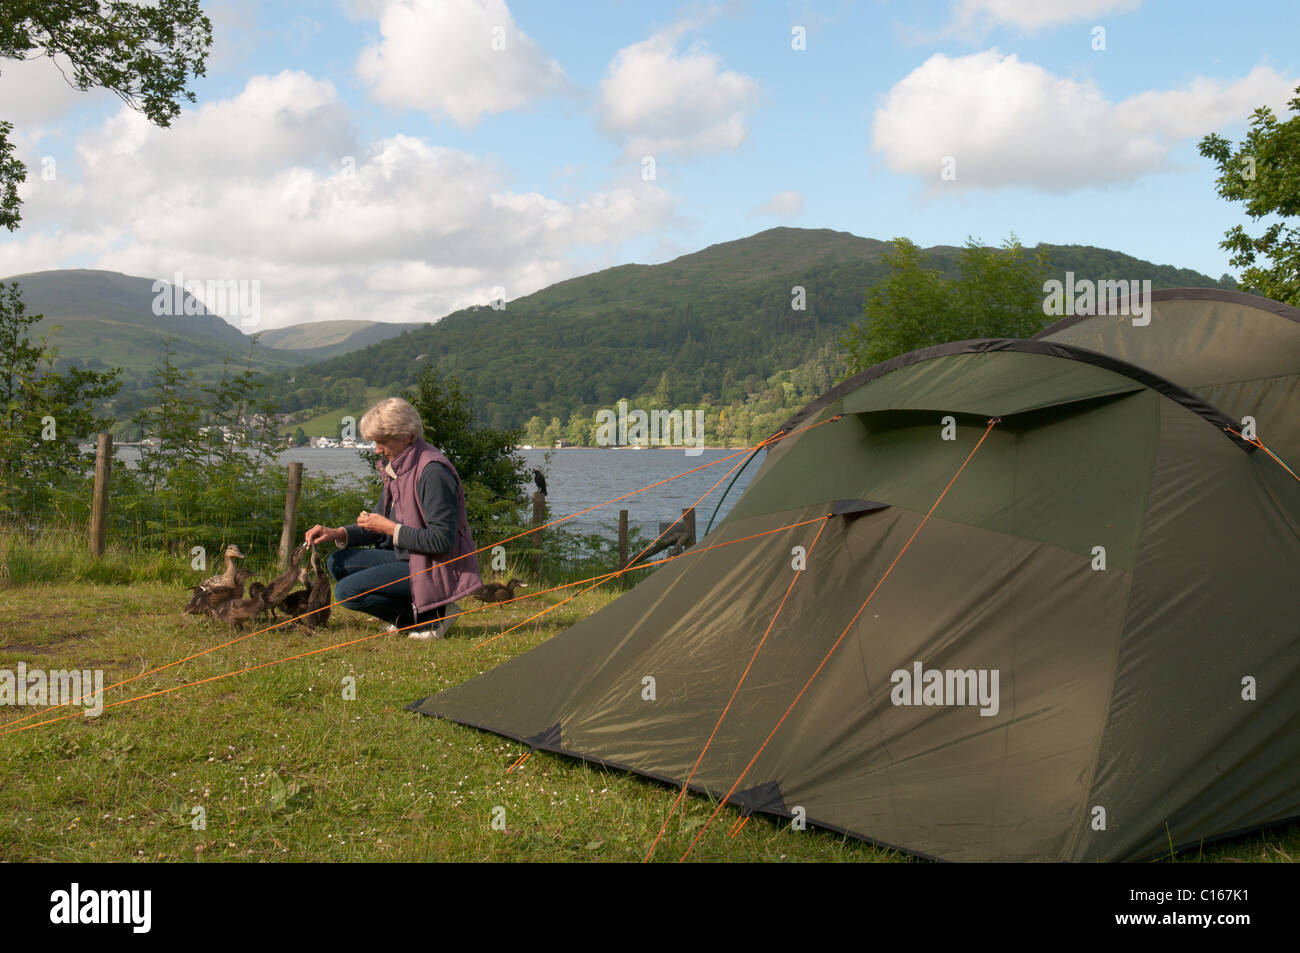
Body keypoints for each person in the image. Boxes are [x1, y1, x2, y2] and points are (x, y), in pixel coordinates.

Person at [304, 397, 483, 639]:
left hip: (440, 567)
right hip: (412, 559)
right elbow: (377, 525)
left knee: (347, 592)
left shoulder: (433, 472)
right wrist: (338, 533)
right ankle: (414, 615)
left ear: (407, 436)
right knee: (337, 562)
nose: (377, 449)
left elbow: (442, 541)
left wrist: (391, 528)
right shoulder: (399, 466)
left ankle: (432, 618)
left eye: (382, 441)